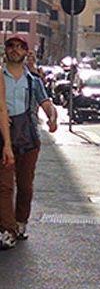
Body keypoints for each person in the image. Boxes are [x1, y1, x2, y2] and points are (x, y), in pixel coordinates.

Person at [0, 33, 57, 249]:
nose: (15, 49)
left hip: (28, 138)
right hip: (2, 136)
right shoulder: (0, 76)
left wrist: (52, 117)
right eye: (11, 46)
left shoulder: (32, 80)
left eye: (19, 47)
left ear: (25, 52)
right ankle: (7, 230)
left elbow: (46, 102)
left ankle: (20, 222)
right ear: (6, 50)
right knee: (4, 187)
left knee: (24, 185)